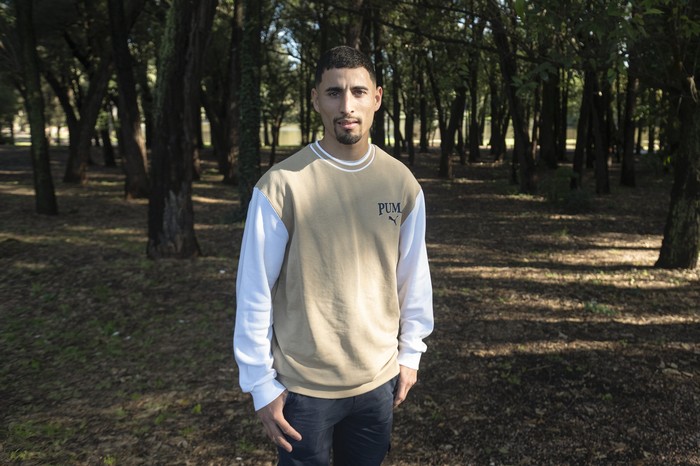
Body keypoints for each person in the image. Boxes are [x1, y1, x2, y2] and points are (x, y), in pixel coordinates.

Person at [233, 45, 434, 466]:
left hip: (378, 383)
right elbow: (254, 290)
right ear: (315, 99)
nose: (347, 106)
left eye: (359, 92)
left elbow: (413, 277)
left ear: (377, 98)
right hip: (303, 390)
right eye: (334, 93)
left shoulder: (402, 183)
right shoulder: (281, 185)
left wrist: (410, 354)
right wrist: (259, 383)